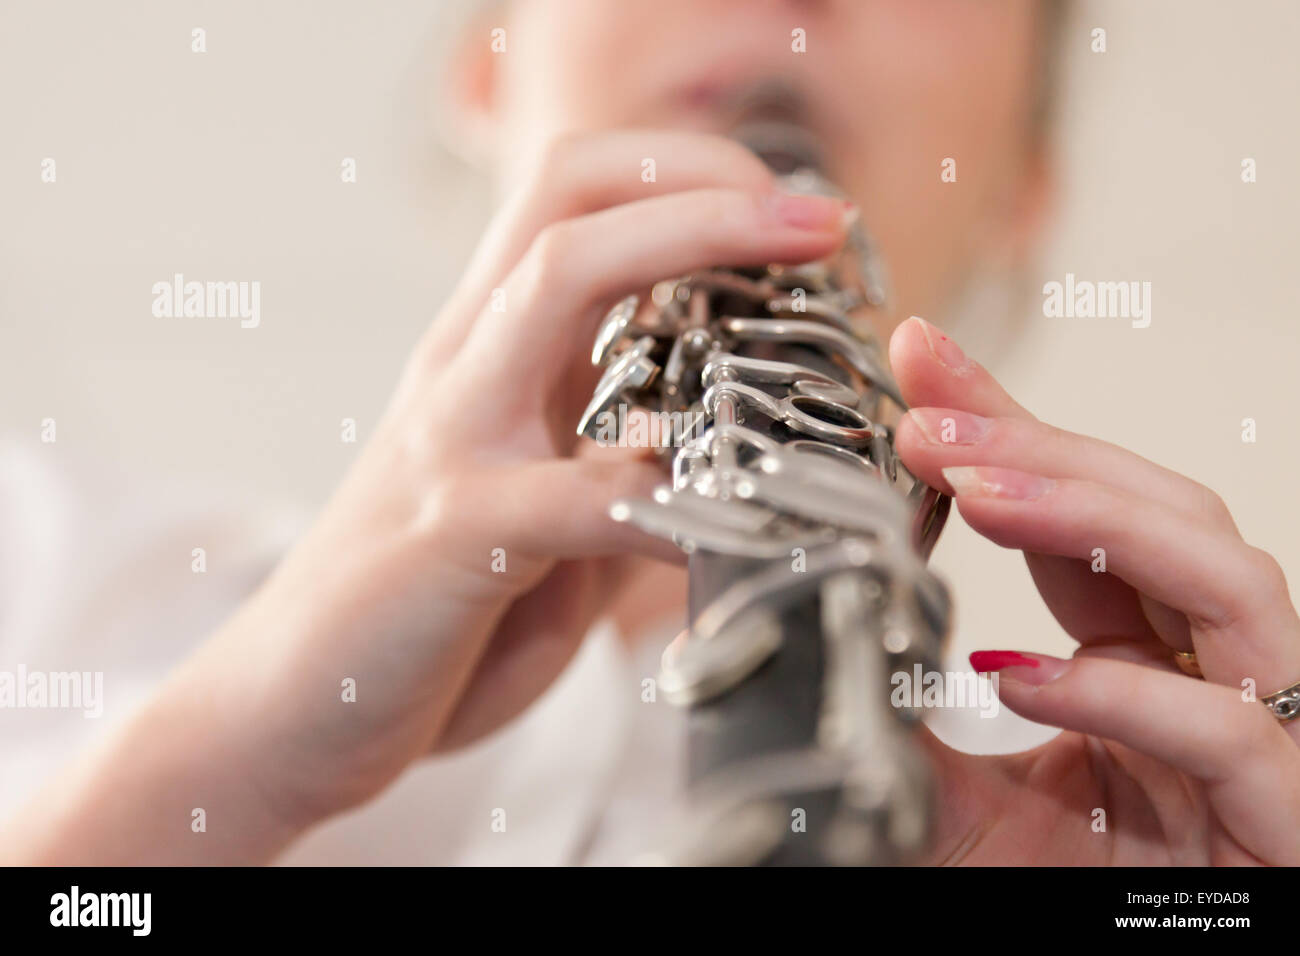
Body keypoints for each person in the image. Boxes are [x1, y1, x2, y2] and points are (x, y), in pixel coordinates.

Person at [4, 0, 1299, 866]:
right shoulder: (51, 568)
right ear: (489, 58)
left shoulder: (1105, 812)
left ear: (1024, 185)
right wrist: (231, 751)